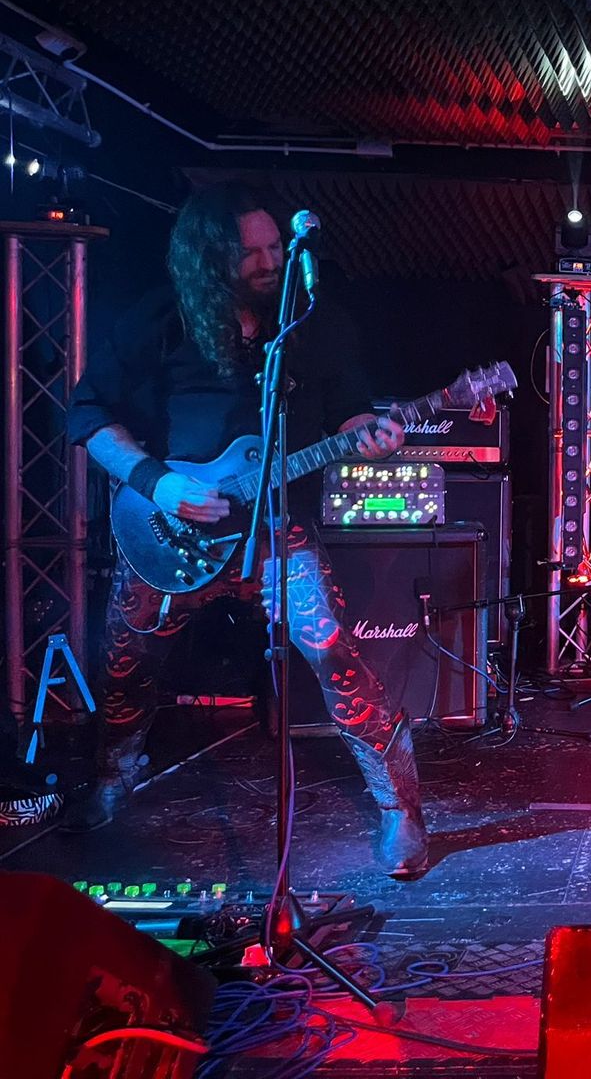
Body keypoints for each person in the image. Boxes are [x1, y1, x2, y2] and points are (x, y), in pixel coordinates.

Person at [64, 183, 428, 878]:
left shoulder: (314, 321)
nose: (269, 262)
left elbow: (350, 410)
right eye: (250, 253)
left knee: (333, 652)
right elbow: (87, 414)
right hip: (170, 532)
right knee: (126, 657)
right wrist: (158, 484)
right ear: (208, 260)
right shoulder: (161, 319)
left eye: (274, 247)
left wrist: (371, 435)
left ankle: (400, 807)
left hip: (278, 531)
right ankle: (113, 772)